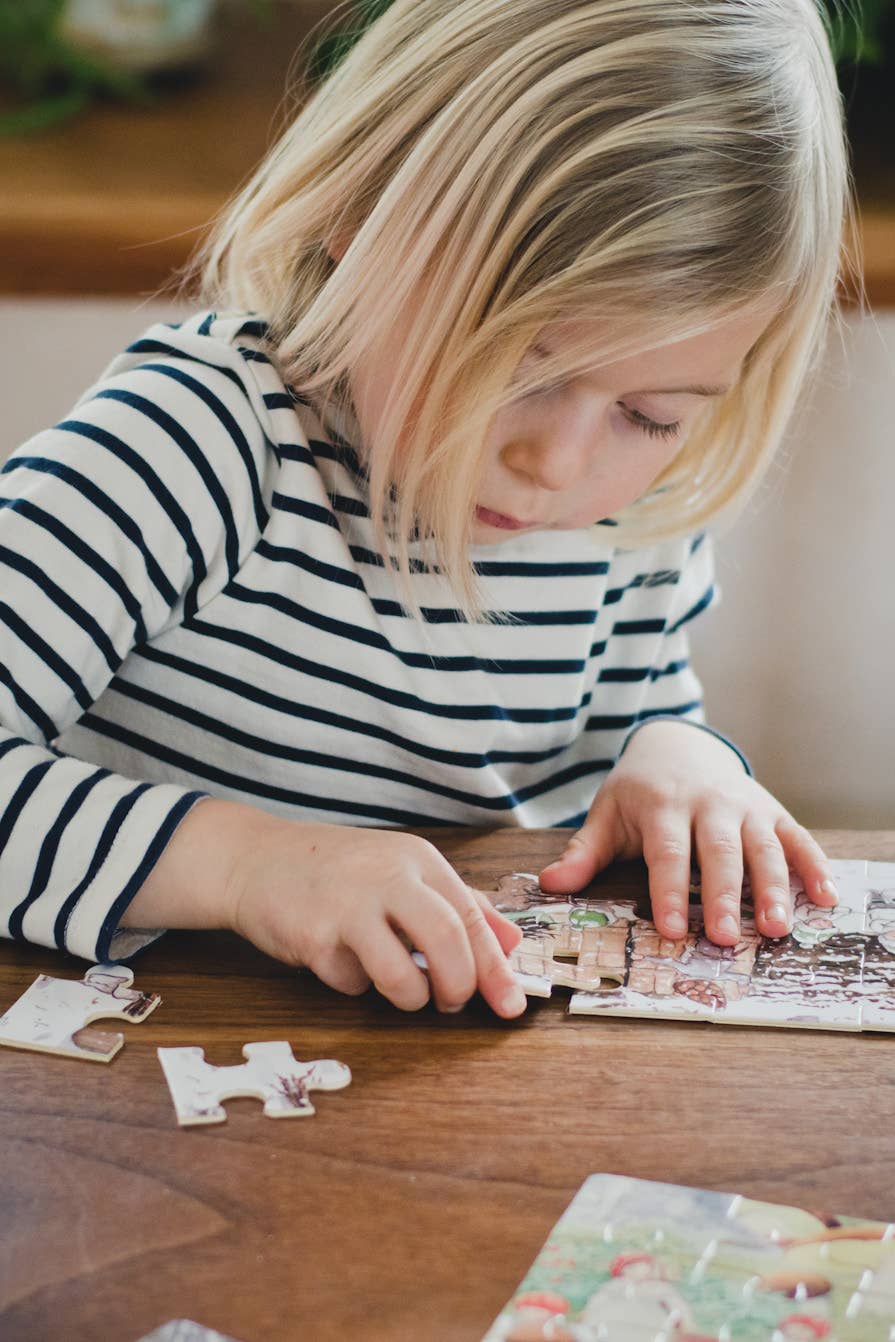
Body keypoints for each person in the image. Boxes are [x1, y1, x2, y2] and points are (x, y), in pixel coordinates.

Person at [0, 0, 852, 1019]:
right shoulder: (194, 445)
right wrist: (243, 867)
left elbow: (637, 713)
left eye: (648, 412)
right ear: (357, 218)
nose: (556, 463)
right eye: (516, 368)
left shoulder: (641, 508)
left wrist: (676, 757)